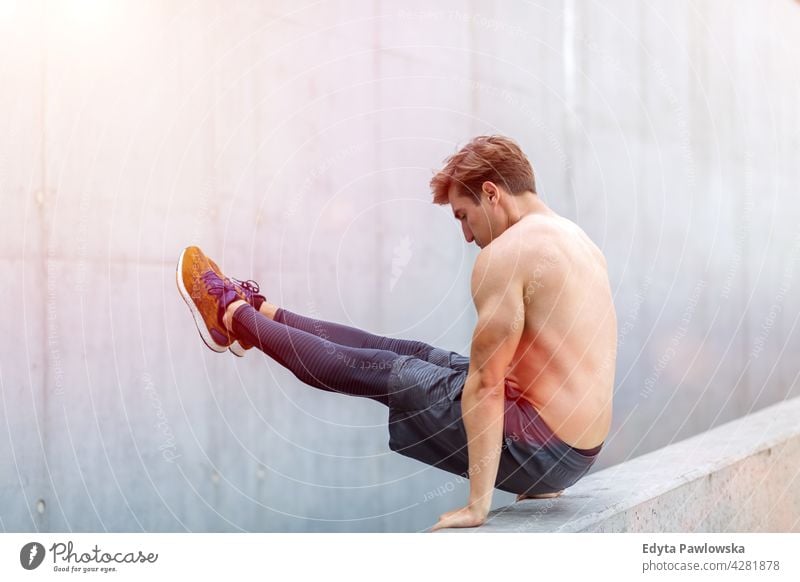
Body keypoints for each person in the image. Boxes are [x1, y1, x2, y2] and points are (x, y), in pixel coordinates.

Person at [176, 135, 617, 531]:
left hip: (540, 450)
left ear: (491, 193)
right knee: (408, 352)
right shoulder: (576, 240)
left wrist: (478, 506)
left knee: (383, 370)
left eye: (464, 216)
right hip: (574, 453)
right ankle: (259, 311)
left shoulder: (508, 253)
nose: (466, 236)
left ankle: (230, 315)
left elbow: (485, 385)